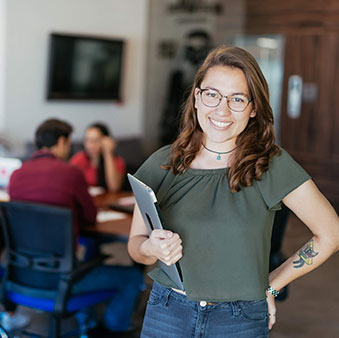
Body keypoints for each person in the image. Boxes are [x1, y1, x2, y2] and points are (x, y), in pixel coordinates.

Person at [127, 46, 339, 337]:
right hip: (167, 311)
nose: (221, 110)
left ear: (253, 109)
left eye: (237, 98)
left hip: (239, 320)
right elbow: (135, 246)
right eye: (212, 94)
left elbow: (331, 234)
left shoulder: (271, 165)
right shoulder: (162, 163)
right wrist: (149, 248)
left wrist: (273, 285)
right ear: (197, 99)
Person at [8, 119, 143, 336]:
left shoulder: (16, 176)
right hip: (62, 280)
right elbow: (89, 217)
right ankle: (113, 330)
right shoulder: (70, 173)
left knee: (87, 258)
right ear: (61, 142)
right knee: (132, 277)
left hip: (19, 275)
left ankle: (86, 319)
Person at [70, 123, 125, 192]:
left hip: (108, 200)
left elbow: (114, 187)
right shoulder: (79, 158)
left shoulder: (117, 161)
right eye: (87, 140)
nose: (90, 145)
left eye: (95, 141)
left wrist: (108, 153)